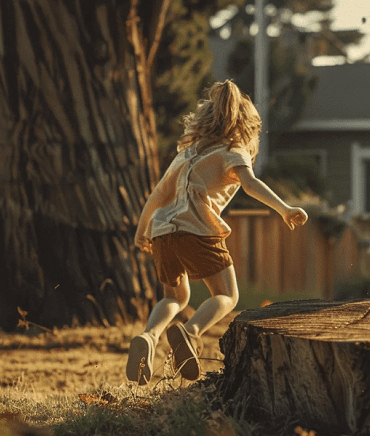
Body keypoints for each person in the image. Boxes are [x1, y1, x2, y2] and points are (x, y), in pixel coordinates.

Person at [126, 80, 308, 384]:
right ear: (247, 126)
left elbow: (158, 195)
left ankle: (150, 335)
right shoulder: (234, 151)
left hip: (162, 232)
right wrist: (284, 208)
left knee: (175, 296)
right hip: (195, 230)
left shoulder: (186, 154)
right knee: (226, 294)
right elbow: (250, 185)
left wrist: (141, 230)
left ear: (204, 118)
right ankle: (191, 331)